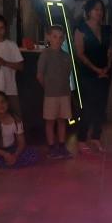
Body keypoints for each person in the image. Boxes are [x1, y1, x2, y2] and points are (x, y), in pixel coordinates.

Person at [72, 0, 111, 154]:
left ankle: (96, 137)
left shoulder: (106, 29)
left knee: (100, 107)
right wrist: (96, 69)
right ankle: (81, 139)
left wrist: (106, 67)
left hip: (104, 72)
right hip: (87, 73)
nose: (99, 12)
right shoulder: (81, 29)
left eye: (101, 9)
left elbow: (110, 50)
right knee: (87, 107)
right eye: (96, 9)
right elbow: (80, 54)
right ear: (88, 11)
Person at [0, 91, 40, 169]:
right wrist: (4, 154)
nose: (0, 105)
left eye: (3, 102)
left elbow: (21, 143)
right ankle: (8, 163)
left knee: (33, 154)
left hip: (11, 150)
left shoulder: (16, 119)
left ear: (7, 103)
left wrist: (15, 155)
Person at [36, 24, 73, 159]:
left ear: (63, 39)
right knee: (50, 121)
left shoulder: (66, 56)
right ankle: (51, 147)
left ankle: (62, 146)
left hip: (64, 93)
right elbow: (39, 75)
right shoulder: (45, 55)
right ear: (48, 37)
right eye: (55, 36)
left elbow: (67, 74)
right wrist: (48, 88)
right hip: (51, 94)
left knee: (62, 120)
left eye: (60, 37)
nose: (58, 39)